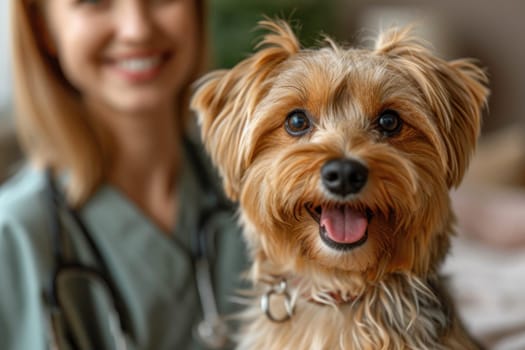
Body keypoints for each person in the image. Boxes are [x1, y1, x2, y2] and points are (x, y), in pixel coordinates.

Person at [0, 0, 247, 349]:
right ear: (43, 27)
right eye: (94, 2)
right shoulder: (14, 238)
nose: (137, 29)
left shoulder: (273, 195)